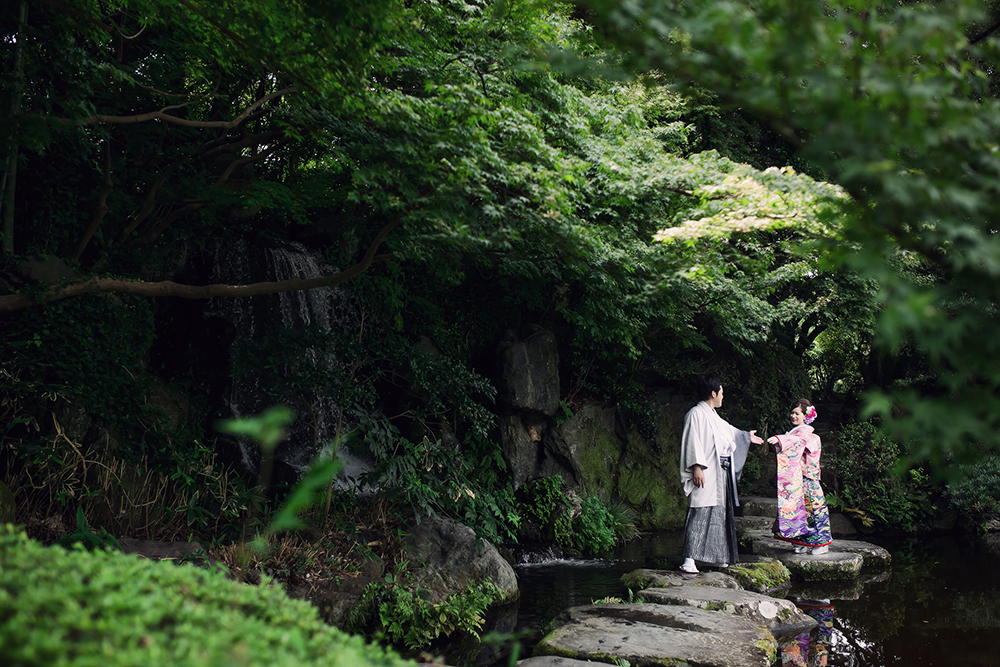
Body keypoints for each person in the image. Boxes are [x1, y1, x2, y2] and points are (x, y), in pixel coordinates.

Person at [679, 376, 763, 574]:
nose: (723, 396)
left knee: (719, 514)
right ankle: (689, 559)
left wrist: (746, 436)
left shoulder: (713, 415)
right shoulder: (695, 414)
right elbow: (692, 441)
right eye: (722, 393)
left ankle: (717, 556)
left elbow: (730, 432)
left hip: (720, 471)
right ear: (713, 393)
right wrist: (697, 467)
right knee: (700, 510)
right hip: (706, 470)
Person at [768, 399, 833, 555]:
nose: (793, 416)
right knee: (798, 511)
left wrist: (780, 440)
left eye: (797, 413)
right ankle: (800, 541)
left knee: (814, 510)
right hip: (797, 479)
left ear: (805, 416)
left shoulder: (807, 434)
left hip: (808, 479)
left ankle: (821, 543)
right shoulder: (795, 432)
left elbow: (797, 442)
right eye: (792, 413)